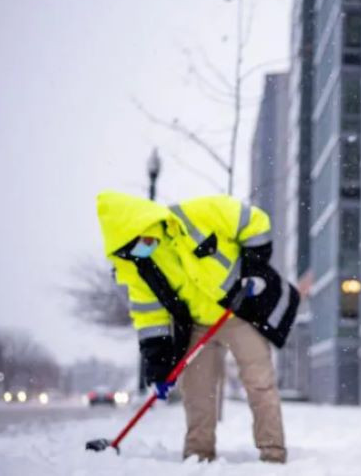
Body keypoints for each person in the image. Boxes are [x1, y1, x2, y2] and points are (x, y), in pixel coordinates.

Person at [96, 191, 287, 463]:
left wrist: (254, 270)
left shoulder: (200, 213)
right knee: (198, 393)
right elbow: (150, 317)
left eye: (138, 242)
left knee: (260, 383)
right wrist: (159, 367)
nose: (139, 250)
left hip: (239, 314)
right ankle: (199, 455)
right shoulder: (141, 266)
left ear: (145, 224)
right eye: (130, 250)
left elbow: (255, 222)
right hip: (198, 326)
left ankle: (273, 455)